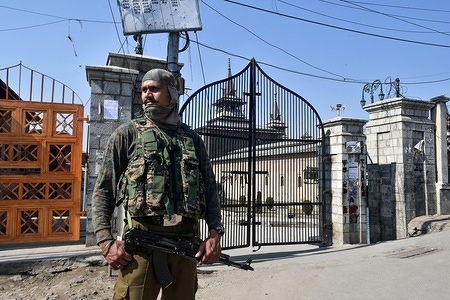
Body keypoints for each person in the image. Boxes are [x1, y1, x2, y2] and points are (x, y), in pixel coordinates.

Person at [92, 68, 224, 300]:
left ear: (171, 93)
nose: (147, 95)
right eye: (143, 90)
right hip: (141, 244)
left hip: (185, 244)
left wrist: (214, 234)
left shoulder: (191, 140)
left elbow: (210, 189)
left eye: (154, 89)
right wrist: (106, 241)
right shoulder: (127, 134)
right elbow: (104, 189)